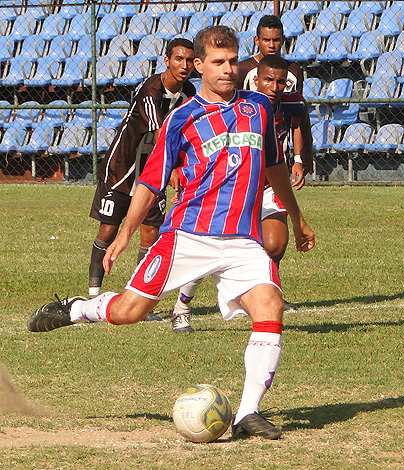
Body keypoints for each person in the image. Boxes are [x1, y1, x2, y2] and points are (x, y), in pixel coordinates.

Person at [27, 26, 315, 441]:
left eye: (233, 61)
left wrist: (298, 217)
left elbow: (274, 168)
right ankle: (73, 309)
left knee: (270, 308)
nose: (228, 69)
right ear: (199, 66)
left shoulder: (259, 108)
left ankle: (248, 412)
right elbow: (151, 182)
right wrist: (126, 232)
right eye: (218, 62)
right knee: (129, 312)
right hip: (188, 235)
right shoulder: (182, 118)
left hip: (242, 241)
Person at [171, 54, 314, 332]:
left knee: (275, 244)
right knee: (208, 249)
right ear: (256, 80)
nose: (274, 86)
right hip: (233, 189)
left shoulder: (293, 103)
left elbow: (299, 125)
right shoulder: (241, 105)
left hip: (269, 186)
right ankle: (182, 306)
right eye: (268, 80)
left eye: (281, 82)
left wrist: (298, 159)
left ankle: (261, 295)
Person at [87, 38, 196, 322]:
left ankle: (137, 300)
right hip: (123, 166)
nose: (184, 66)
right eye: (178, 59)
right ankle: (93, 293)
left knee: (150, 233)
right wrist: (172, 167)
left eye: (188, 60)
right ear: (167, 60)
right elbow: (160, 133)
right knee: (108, 230)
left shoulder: (191, 93)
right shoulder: (152, 89)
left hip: (155, 168)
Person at [237, 14, 304, 94]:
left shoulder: (294, 70)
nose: (271, 45)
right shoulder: (242, 69)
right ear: (257, 41)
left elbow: (297, 102)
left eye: (276, 40)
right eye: (266, 40)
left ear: (283, 40)